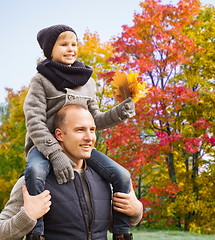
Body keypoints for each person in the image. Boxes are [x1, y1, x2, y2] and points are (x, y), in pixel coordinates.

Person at [23, 25, 136, 239]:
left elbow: (94, 119)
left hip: (77, 147)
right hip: (45, 147)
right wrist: (55, 154)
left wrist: (120, 112)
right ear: (49, 51)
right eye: (63, 44)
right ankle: (36, 232)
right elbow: (34, 122)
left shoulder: (88, 82)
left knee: (122, 175)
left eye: (74, 44)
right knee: (35, 172)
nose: (70, 49)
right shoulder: (41, 80)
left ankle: (121, 232)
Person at [0, 104, 143, 240]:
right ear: (59, 135)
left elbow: (112, 225)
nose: (89, 138)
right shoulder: (35, 180)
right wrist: (28, 216)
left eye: (92, 130)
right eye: (80, 130)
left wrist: (136, 211)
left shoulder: (105, 179)